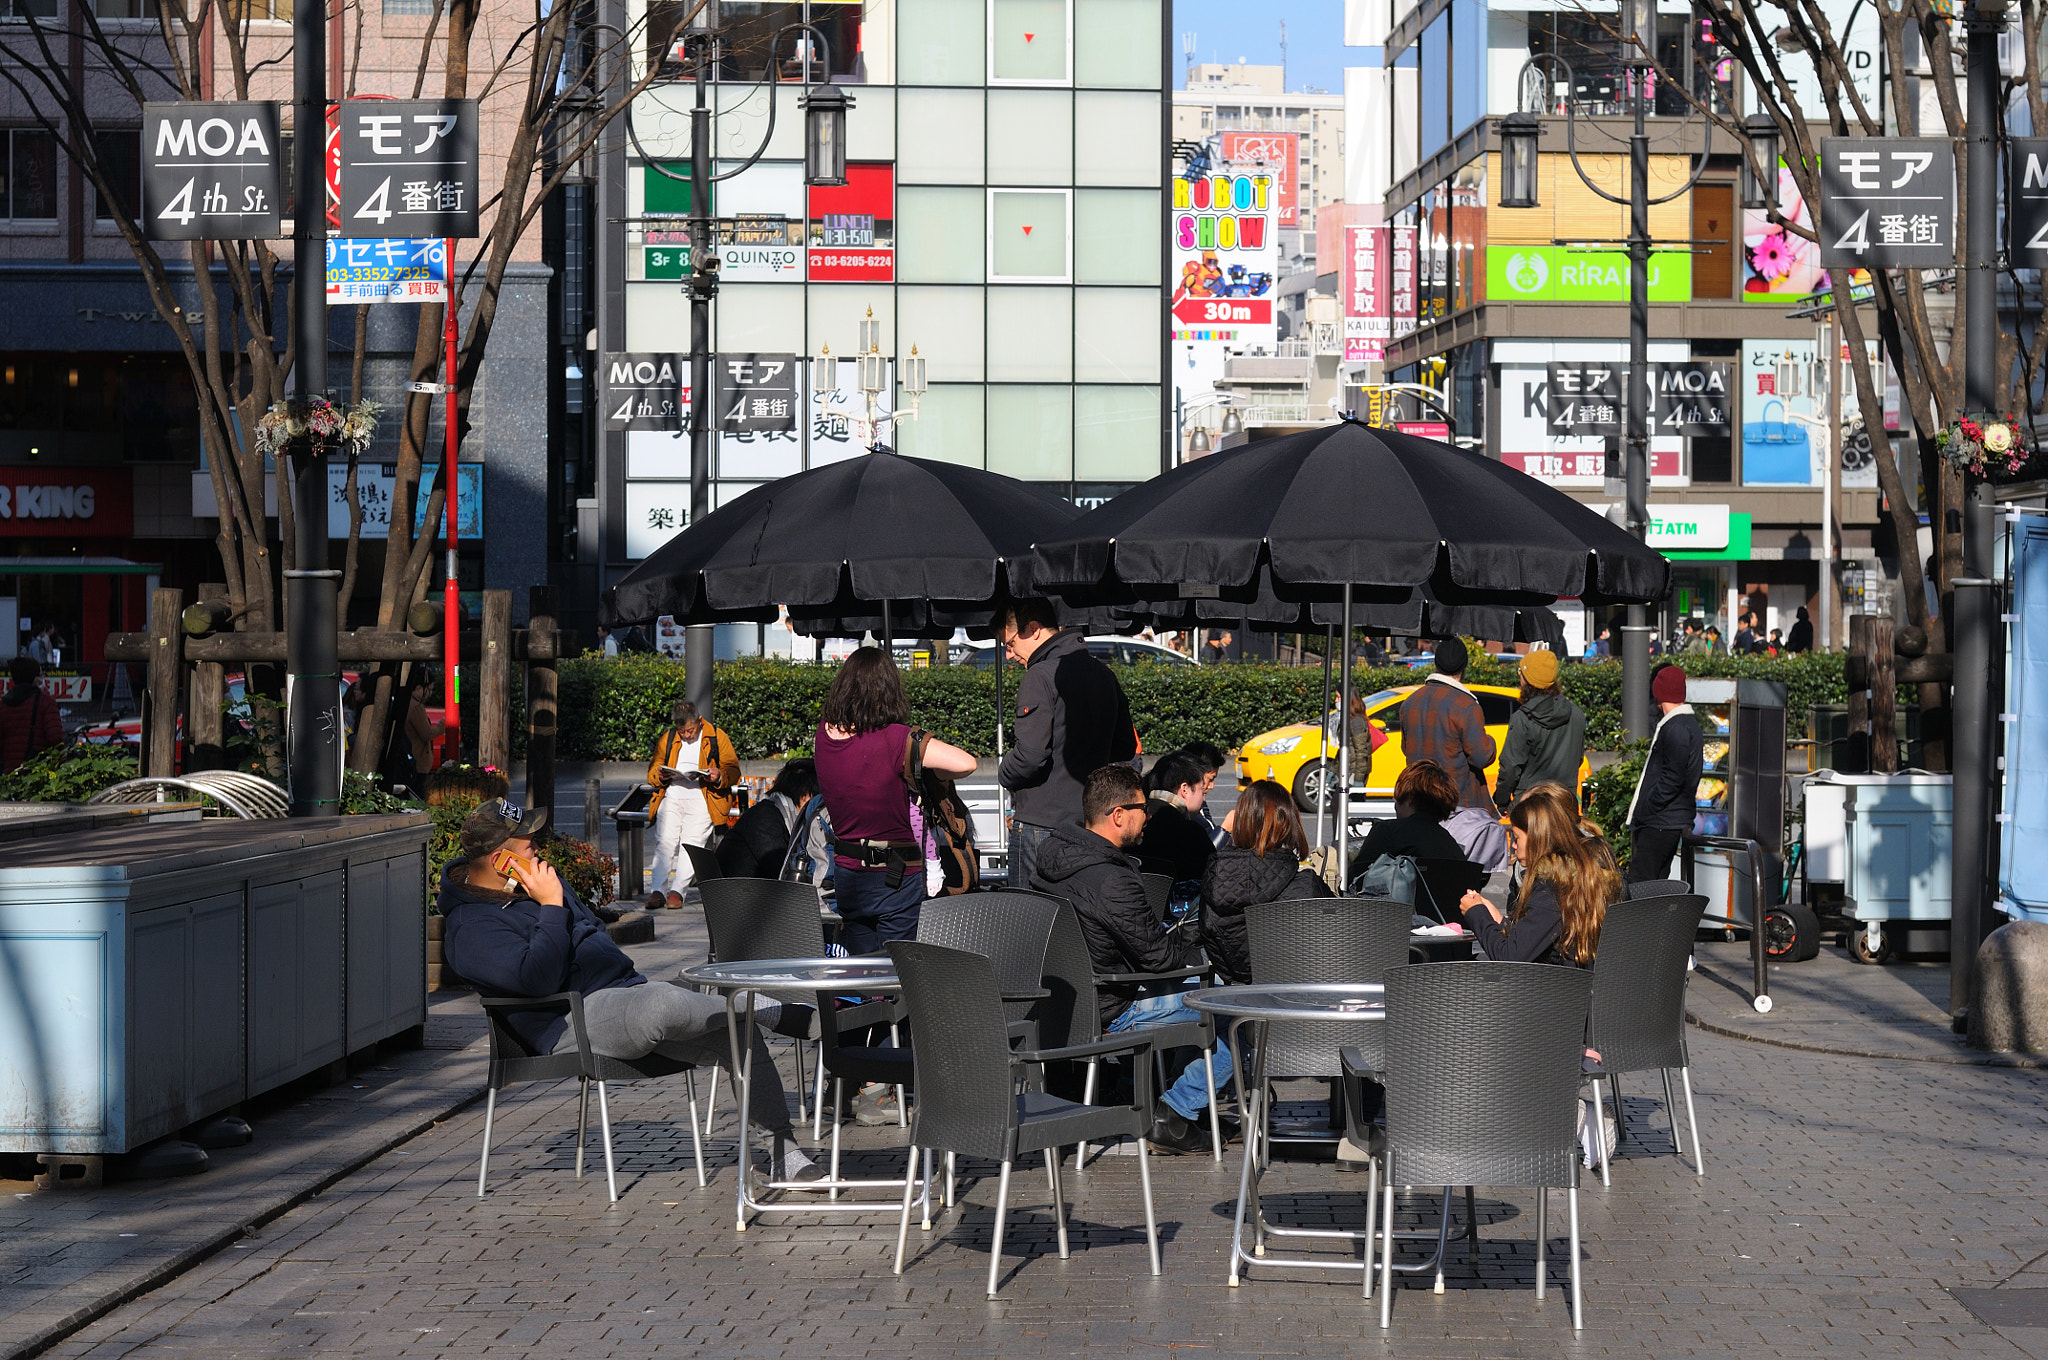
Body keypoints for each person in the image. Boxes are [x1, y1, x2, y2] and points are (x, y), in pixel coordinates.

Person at [438, 799, 823, 1183]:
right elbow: (536, 980)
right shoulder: (470, 927)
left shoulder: (532, 883)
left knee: (734, 1031)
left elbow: (589, 929)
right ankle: (766, 1008)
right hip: (567, 1021)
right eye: (528, 845)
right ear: (501, 860)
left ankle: (781, 1152)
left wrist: (556, 908)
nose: (537, 850)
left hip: (621, 994)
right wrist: (552, 905)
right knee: (660, 1003)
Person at [1030, 764, 1236, 1155]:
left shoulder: (1052, 858)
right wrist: (1198, 946)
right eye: (1143, 808)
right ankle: (1177, 1113)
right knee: (1235, 1008)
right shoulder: (1111, 878)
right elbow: (1160, 958)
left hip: (1065, 1003)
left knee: (1213, 996)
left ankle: (1181, 1103)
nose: (1150, 818)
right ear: (1118, 815)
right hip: (1112, 1006)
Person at [814, 647, 976, 954]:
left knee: (861, 970)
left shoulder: (823, 736)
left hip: (848, 872)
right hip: (897, 875)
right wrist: (929, 772)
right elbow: (966, 763)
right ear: (889, 690)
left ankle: (865, 1004)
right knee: (897, 969)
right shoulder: (898, 738)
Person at [996, 599, 1137, 888]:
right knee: (1074, 922)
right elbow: (1124, 746)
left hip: (1042, 824)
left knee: (1031, 922)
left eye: (1010, 644)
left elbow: (1030, 757)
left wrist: (1003, 773)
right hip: (1090, 822)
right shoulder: (1104, 674)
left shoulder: (1041, 675)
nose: (1009, 655)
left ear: (1033, 630)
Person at [1458, 787, 1619, 968]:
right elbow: (1538, 936)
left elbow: (1510, 957)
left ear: (1536, 838)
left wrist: (1476, 913)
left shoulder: (1552, 886)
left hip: (1556, 987)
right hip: (1587, 981)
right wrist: (1499, 921)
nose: (1514, 846)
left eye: (1517, 838)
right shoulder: (1583, 875)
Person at [1202, 779, 1334, 987]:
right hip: (1304, 1005)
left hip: (1239, 1004)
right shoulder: (1306, 886)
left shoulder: (1213, 884)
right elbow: (1337, 945)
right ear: (1288, 823)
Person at [646, 700, 742, 909]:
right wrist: (660, 775)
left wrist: (718, 776)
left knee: (692, 844)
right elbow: (653, 770)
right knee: (664, 841)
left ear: (699, 721)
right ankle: (657, 890)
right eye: (682, 732)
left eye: (690, 730)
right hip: (672, 794)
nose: (687, 735)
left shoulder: (717, 736)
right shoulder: (668, 738)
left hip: (703, 796)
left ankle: (677, 892)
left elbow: (733, 770)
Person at [1625, 663, 1704, 883]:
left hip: (1660, 820)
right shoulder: (1688, 724)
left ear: (1658, 693)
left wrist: (1650, 805)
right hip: (1670, 819)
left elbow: (1673, 776)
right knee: (1656, 885)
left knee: (1640, 886)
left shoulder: (1675, 727)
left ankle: (1641, 920)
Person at [1399, 636, 1496, 811]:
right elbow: (1481, 757)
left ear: (1436, 663)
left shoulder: (1410, 702)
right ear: (1464, 666)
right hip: (1455, 805)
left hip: (1418, 801)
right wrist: (1491, 742)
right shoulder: (1466, 705)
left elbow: (1406, 749)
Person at [1493, 649, 1586, 811]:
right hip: (1564, 803)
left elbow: (1510, 767)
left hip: (1529, 807)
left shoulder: (1523, 719)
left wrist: (1501, 801)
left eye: (1520, 672)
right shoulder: (1576, 714)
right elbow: (1578, 759)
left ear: (1526, 679)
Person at [1348, 759, 1468, 884]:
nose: (1395, 807)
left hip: (1392, 903)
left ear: (1409, 799)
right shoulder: (1451, 846)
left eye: (1397, 800)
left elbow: (1356, 879)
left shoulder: (1387, 832)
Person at [719, 758, 819, 878]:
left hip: (739, 889)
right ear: (805, 796)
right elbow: (781, 871)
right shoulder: (765, 818)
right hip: (740, 892)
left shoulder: (771, 811)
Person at [1136, 750, 1217, 884]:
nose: (1203, 799)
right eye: (1202, 790)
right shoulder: (1191, 833)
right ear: (1184, 789)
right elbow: (1213, 879)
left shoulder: (1135, 821)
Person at [0, 656, 62, 775]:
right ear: (35, 679)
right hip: (37, 772)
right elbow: (55, 738)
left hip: (10, 773)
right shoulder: (45, 702)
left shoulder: (3, 704)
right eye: (40, 674)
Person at [1176, 740, 1232, 848]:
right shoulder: (1180, 815)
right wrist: (1224, 830)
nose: (1212, 786)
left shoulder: (1199, 802)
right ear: (1195, 774)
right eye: (1210, 779)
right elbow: (1203, 856)